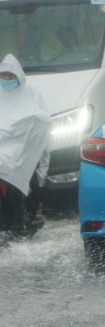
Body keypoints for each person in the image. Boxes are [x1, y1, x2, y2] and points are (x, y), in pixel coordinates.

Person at [0, 54, 51, 237]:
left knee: (28, 181)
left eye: (10, 75)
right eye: (3, 75)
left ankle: (30, 214)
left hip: (24, 148)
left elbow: (44, 118)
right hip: (3, 148)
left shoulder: (32, 94)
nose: (6, 79)